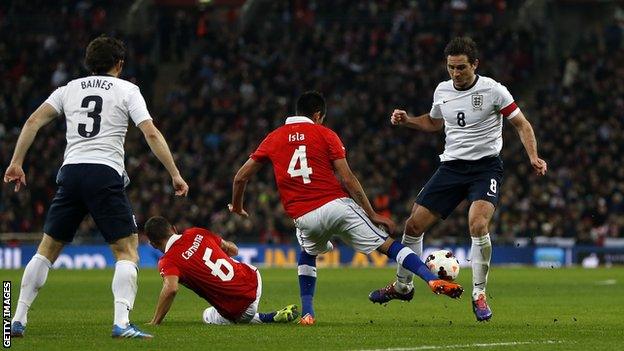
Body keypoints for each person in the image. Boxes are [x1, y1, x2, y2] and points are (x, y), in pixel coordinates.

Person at [3, 36, 189, 339]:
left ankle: (17, 319)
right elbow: (151, 133)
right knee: (127, 251)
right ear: (119, 64)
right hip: (104, 174)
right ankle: (121, 323)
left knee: (46, 250)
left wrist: (16, 162)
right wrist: (175, 173)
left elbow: (33, 121)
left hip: (71, 172)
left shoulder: (68, 89)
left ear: (88, 63)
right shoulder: (128, 90)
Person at [229, 91, 463, 326]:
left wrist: (238, 207)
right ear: (318, 115)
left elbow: (240, 177)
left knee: (308, 253)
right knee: (389, 246)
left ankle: (308, 312)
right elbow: (348, 178)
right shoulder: (325, 134)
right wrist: (372, 214)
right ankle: (431, 279)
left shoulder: (273, 138)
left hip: (303, 217)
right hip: (336, 206)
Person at [368, 37, 548, 322]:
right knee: (413, 225)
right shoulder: (442, 90)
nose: (456, 73)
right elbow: (435, 122)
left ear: (475, 65)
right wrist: (408, 120)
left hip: (485, 168)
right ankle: (403, 286)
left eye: (462, 67)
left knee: (477, 224)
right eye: (451, 67)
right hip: (451, 167)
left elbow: (521, 124)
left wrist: (533, 157)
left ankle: (479, 294)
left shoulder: (494, 90)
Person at [144, 216, 299, 325]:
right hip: (253, 277)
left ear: (152, 244)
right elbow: (233, 250)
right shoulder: (195, 232)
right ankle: (272, 317)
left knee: (207, 315)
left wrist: (155, 321)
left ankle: (262, 316)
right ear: (173, 228)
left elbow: (171, 288)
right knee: (230, 264)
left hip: (241, 309)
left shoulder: (167, 261)